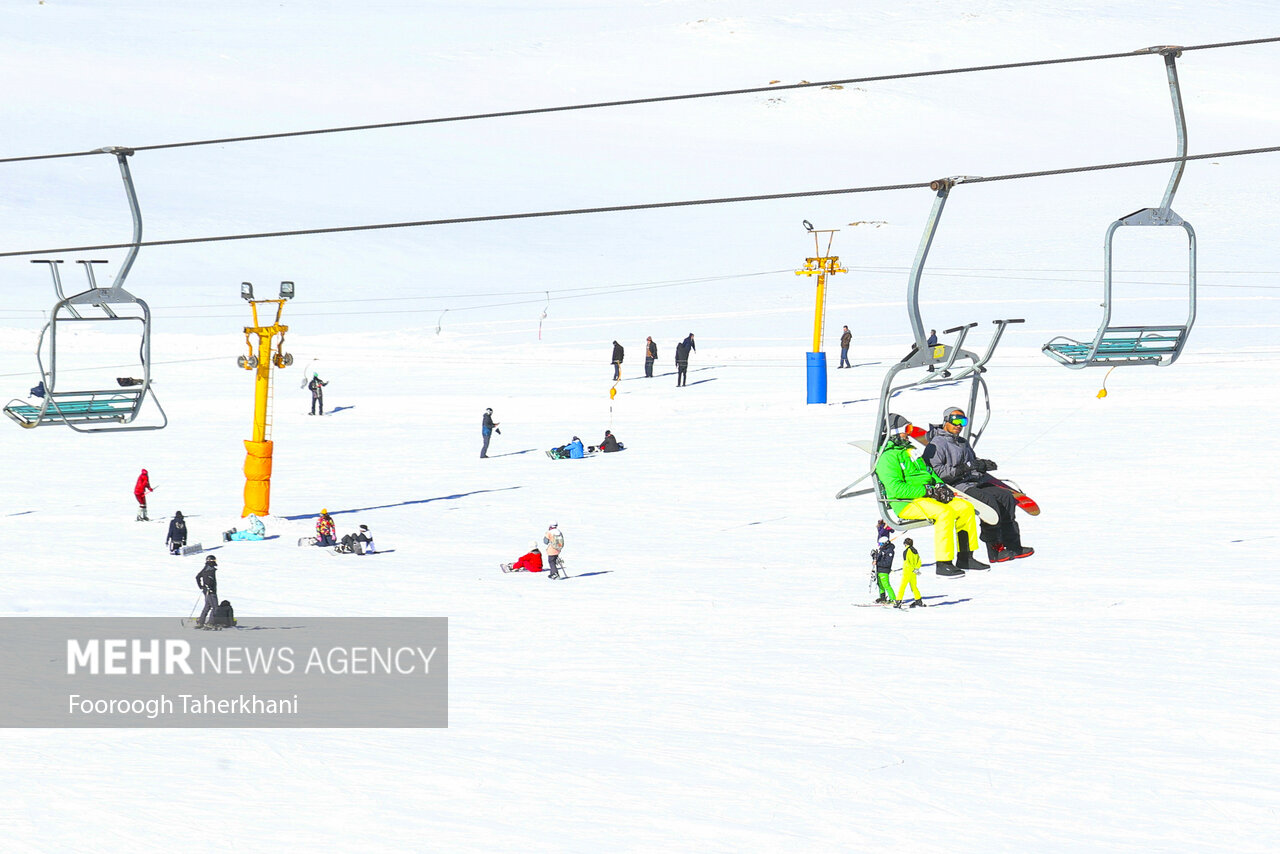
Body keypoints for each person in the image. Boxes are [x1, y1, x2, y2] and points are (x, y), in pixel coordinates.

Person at [874, 413, 987, 576]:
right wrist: (928, 491)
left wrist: (940, 486)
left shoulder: (910, 450)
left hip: (928, 497)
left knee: (965, 508)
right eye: (907, 429)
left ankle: (966, 557)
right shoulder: (887, 458)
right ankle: (943, 563)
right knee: (945, 513)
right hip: (906, 503)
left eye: (911, 429)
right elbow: (896, 489)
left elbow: (928, 471)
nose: (909, 433)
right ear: (893, 432)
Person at [922, 406, 1034, 563]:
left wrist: (981, 465)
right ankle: (995, 549)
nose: (959, 425)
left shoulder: (962, 442)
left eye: (963, 421)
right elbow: (938, 473)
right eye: (955, 420)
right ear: (946, 420)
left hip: (972, 481)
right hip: (955, 486)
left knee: (1006, 497)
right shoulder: (937, 444)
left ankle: (1013, 545)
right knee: (988, 502)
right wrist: (966, 468)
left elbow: (970, 462)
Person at [895, 537, 926, 608]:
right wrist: (916, 569)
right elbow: (919, 561)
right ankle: (918, 600)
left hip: (907, 572)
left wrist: (911, 569)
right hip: (914, 572)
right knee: (914, 587)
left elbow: (906, 563)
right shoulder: (915, 550)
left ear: (905, 544)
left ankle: (898, 601)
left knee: (902, 587)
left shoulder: (906, 551)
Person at [872, 535, 897, 605]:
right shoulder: (882, 549)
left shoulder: (890, 551)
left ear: (885, 543)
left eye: (881, 544)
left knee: (886, 585)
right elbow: (879, 558)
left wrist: (877, 562)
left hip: (884, 570)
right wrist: (874, 556)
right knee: (880, 584)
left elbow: (887, 563)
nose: (879, 545)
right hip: (879, 569)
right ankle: (882, 597)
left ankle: (893, 599)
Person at [195, 555, 218, 628]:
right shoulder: (210, 569)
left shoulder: (206, 568)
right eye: (214, 560)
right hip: (210, 591)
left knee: (207, 606)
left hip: (207, 590)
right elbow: (207, 579)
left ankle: (201, 622)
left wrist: (201, 586)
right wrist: (206, 587)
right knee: (215, 607)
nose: (215, 562)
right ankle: (210, 623)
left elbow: (198, 577)